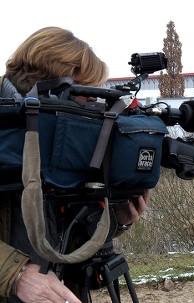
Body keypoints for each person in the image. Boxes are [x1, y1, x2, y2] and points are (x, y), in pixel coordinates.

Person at [0, 26, 150, 303]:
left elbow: (68, 238)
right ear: (50, 85)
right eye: (87, 96)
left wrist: (115, 219)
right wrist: (15, 274)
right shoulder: (10, 126)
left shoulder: (62, 135)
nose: (93, 108)